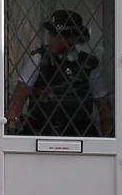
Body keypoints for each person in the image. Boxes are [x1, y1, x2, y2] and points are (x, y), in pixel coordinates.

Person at [8, 9, 111, 137]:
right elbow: (18, 98)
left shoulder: (89, 65)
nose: (52, 39)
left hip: (78, 133)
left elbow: (104, 108)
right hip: (40, 131)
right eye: (51, 34)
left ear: (73, 38)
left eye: (58, 35)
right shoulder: (40, 59)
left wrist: (107, 140)